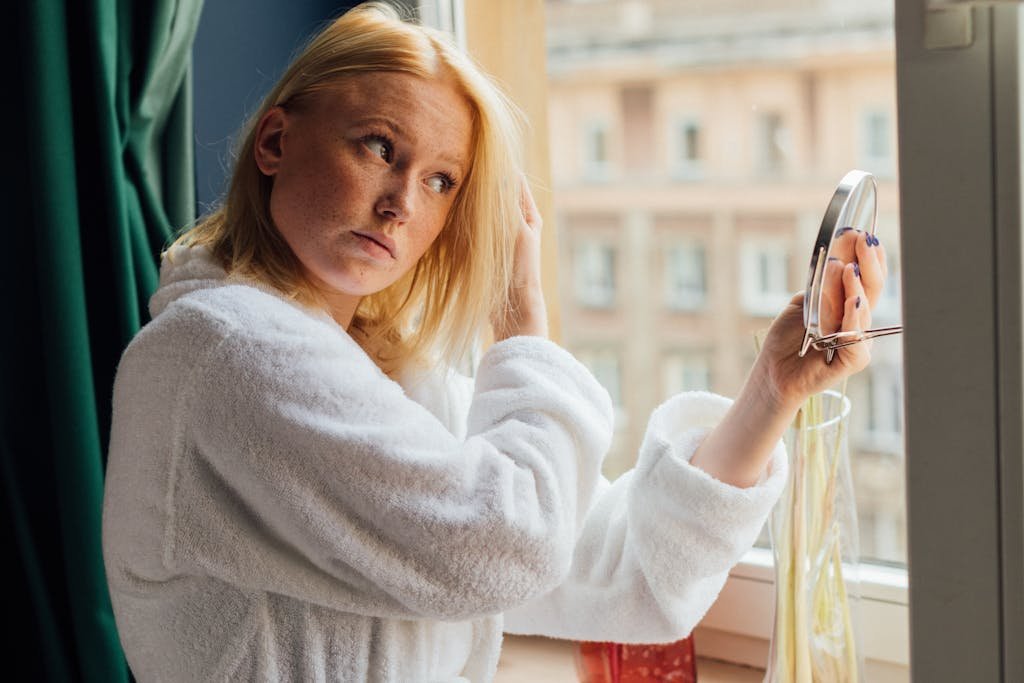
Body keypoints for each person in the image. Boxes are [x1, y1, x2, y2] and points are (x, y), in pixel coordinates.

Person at [101, 3, 887, 681]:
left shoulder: (384, 373)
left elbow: (620, 569)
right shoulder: (225, 355)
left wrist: (771, 390)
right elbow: (510, 541)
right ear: (274, 142)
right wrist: (520, 317)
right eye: (379, 146)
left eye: (443, 180)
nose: (401, 202)